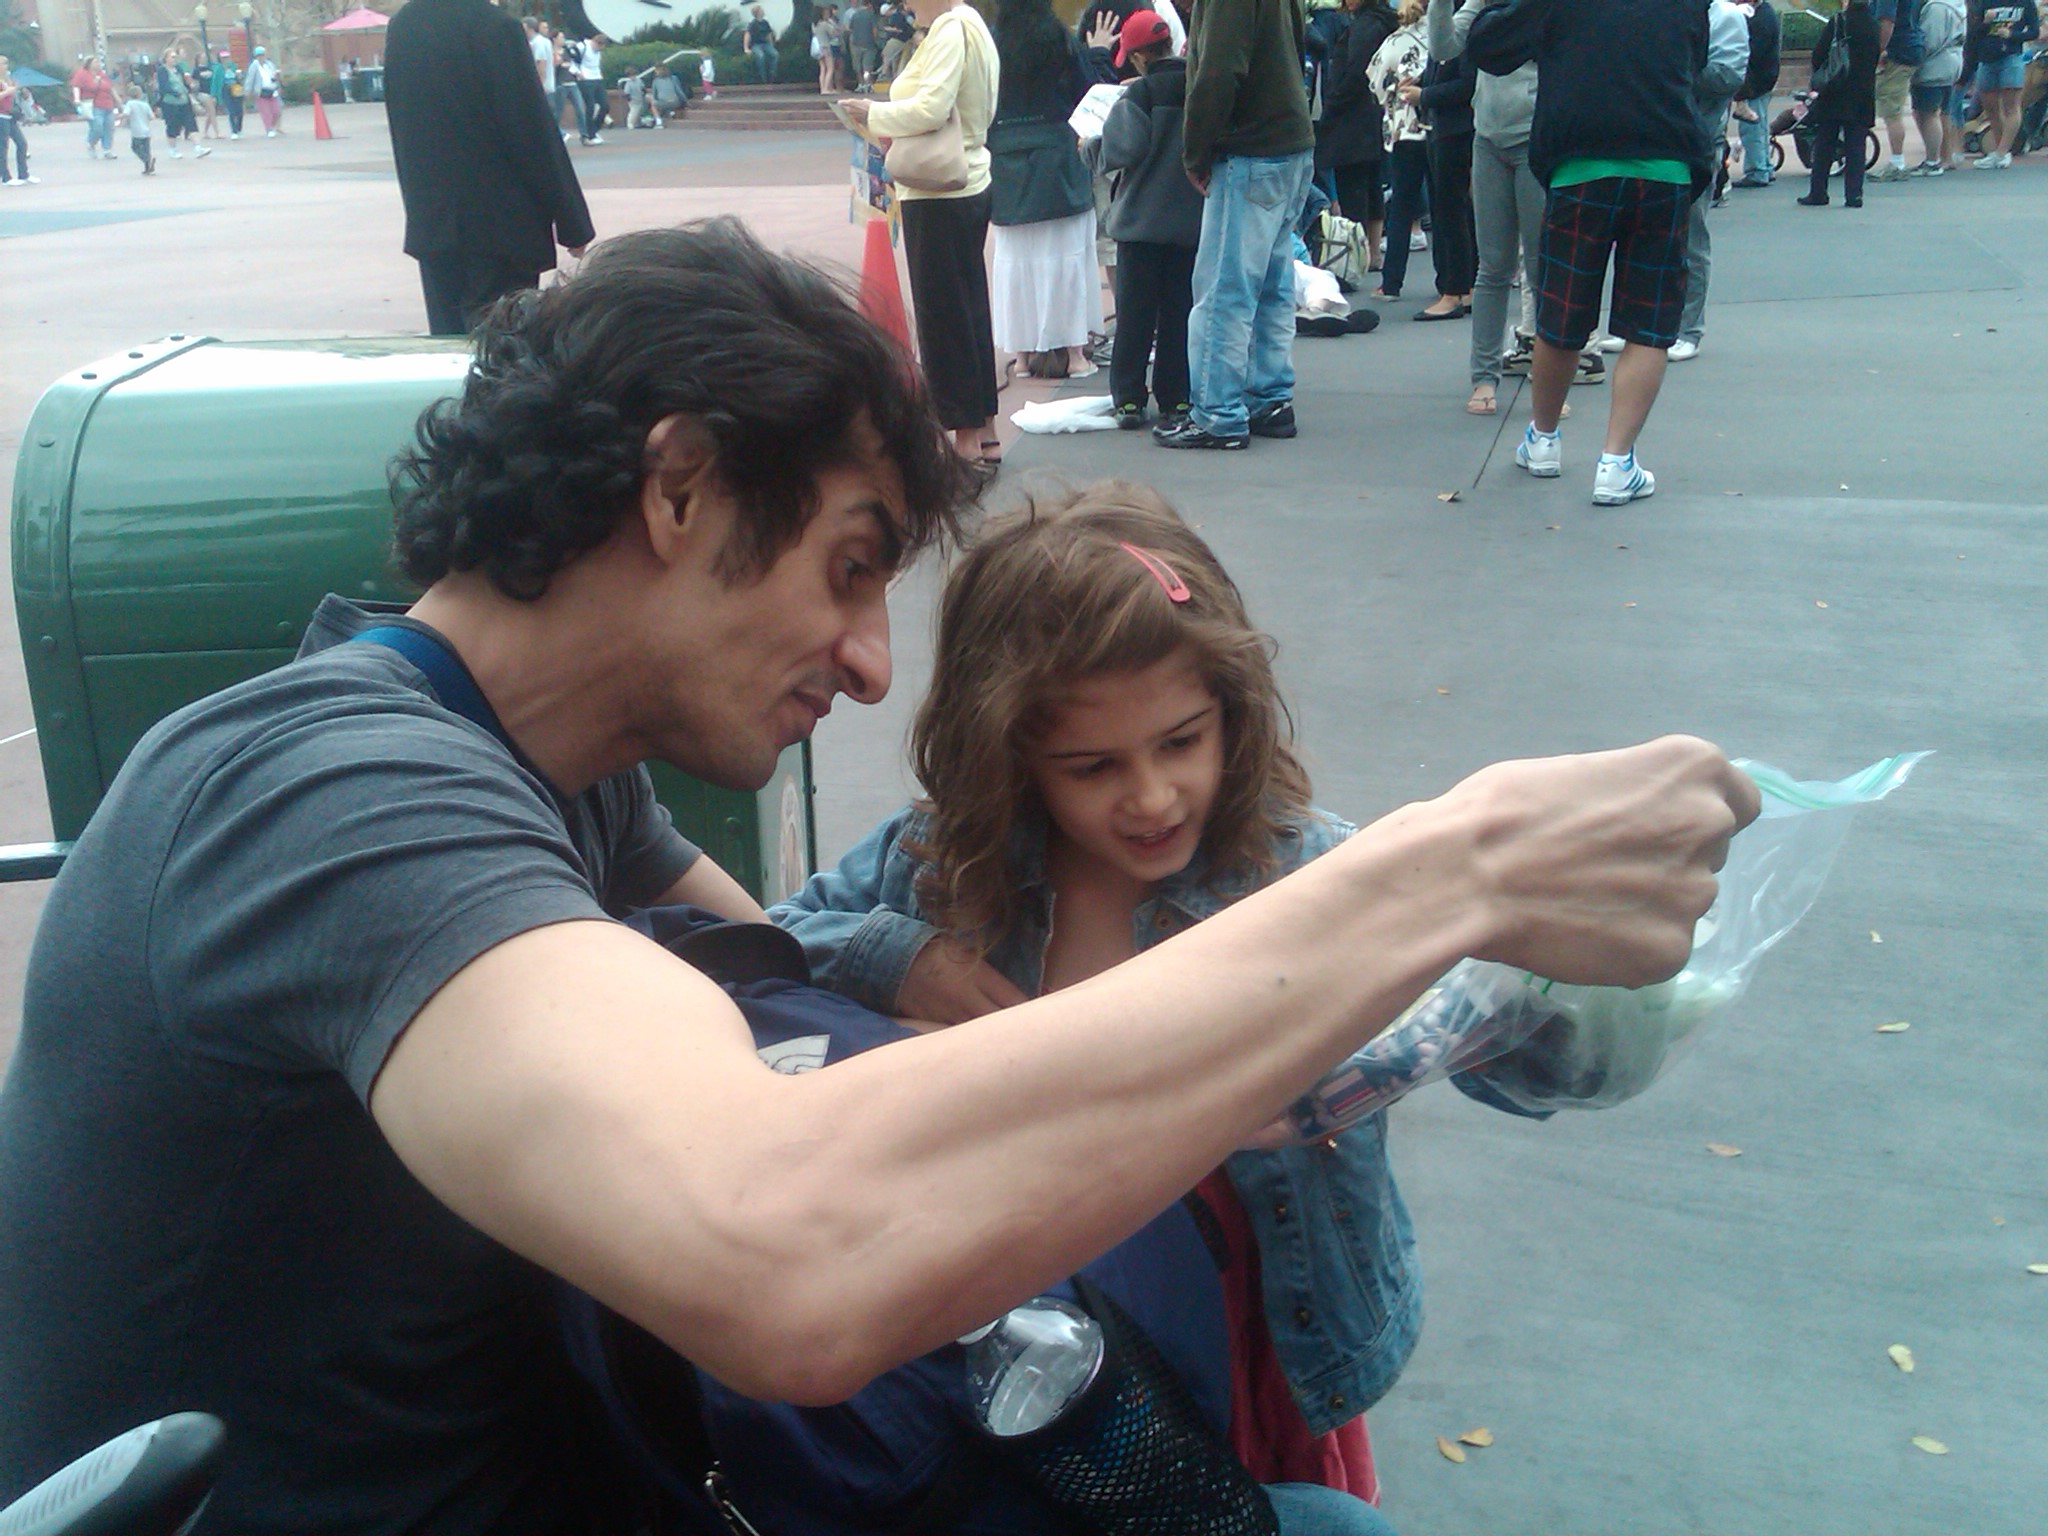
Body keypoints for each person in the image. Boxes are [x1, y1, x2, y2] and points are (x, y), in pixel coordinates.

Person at [0, 217, 1756, 1533]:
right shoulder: (327, 799)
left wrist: (900, 964)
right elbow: (785, 1244)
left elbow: (791, 982)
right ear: (679, 489)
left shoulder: (565, 793)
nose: (863, 665)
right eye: (849, 569)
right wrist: (1451, 874)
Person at [1467, 0, 1713, 507]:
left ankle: (1543, 439)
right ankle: (1616, 463)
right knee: (1649, 323)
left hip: (1579, 164)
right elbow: (1697, 59)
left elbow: (1488, 46)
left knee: (1561, 314)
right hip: (1664, 162)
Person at [839, 0, 1003, 466]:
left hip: (936, 188)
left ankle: (964, 435)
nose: (906, 5)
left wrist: (873, 114)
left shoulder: (950, 30)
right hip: (968, 177)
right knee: (969, 307)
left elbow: (931, 108)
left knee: (943, 315)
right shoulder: (972, 24)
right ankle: (983, 427)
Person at [1160, 0, 1318, 449]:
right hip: (1289, 140)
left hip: (1250, 147)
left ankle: (1218, 412)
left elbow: (1218, 70)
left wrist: (1195, 151)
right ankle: (1269, 397)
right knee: (1272, 283)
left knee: (1223, 291)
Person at [385, 0, 596, 335]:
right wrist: (572, 222)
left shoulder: (404, 25)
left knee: (449, 341)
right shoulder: (493, 27)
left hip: (434, 219)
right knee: (502, 344)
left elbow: (404, 125)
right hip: (501, 221)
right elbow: (529, 128)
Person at [987, 0, 1116, 382]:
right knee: (1068, 257)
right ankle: (1075, 354)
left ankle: (1023, 356)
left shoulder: (990, 42)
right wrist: (1098, 53)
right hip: (1058, 159)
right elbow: (1089, 93)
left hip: (1006, 158)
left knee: (1016, 261)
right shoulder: (1059, 39)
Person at [1093, 9, 1203, 428]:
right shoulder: (1197, 86)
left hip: (1140, 225)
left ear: (1138, 57)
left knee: (1135, 316)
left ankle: (1128, 399)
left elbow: (1123, 149)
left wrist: (1091, 147)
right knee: (1179, 313)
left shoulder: (1139, 95)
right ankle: (1176, 397)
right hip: (1189, 223)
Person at [1668, 0, 1748, 363]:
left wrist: (1675, 63)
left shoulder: (1724, 16)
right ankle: (1643, 324)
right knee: (1644, 236)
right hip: (1655, 135)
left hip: (1696, 140)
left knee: (1690, 239)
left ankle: (1688, 330)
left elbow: (1729, 77)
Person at [1316, 0, 1396, 276]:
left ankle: (1357, 256)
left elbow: (1356, 71)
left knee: (1354, 190)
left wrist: (1333, 103)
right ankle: (1372, 252)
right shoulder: (1382, 20)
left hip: (1351, 118)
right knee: (1372, 186)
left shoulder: (1365, 25)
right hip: (1373, 115)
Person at [1369, 0, 1431, 305]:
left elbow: (1375, 82)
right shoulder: (1442, 36)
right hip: (1436, 127)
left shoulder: (1393, 42)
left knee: (1402, 207)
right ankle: (1452, 282)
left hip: (1403, 130)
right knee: (1448, 204)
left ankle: (1391, 282)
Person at [1797, 0, 1880, 206]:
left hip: (1834, 91)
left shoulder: (1838, 22)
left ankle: (1818, 192)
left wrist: (1818, 79)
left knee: (1825, 143)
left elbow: (1819, 54)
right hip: (1862, 92)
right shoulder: (1873, 24)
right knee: (1856, 146)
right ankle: (1854, 195)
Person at [1413, 49, 1475, 320]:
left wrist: (1424, 95)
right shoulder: (1450, 37)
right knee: (1452, 210)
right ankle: (1462, 286)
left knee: (1451, 210)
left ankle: (1456, 290)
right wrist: (1421, 84)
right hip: (1445, 128)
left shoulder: (1460, 36)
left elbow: (1467, 84)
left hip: (1457, 129)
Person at [1970, 0, 2038, 165]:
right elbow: (1973, 32)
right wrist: (1986, 22)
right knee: (1990, 107)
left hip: (2011, 56)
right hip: (1987, 58)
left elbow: (2034, 32)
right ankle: (2001, 151)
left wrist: (2012, 35)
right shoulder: (1985, 3)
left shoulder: (2025, 3)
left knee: (2011, 105)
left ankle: (2002, 151)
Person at [1869, 0, 1925, 180]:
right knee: (1893, 108)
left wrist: (1878, 51)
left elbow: (1886, 21)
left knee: (1891, 110)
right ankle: (1897, 161)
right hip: (1910, 47)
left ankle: (1897, 163)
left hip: (1898, 52)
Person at [1730, 0, 1782, 187]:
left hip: (1756, 80)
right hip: (1764, 78)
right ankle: (1764, 167)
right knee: (1759, 126)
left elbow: (1752, 51)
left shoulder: (1760, 18)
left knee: (1751, 128)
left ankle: (1757, 171)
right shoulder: (1765, 13)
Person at [1911, 0, 1967, 172]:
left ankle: (1932, 160)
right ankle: (1946, 156)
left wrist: (1915, 57)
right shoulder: (1956, 5)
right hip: (1952, 62)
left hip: (1934, 66)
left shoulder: (1936, 7)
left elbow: (1930, 40)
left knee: (1928, 114)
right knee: (1943, 113)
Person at [155, 52, 209, 159]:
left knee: (191, 124)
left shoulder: (179, 69)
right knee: (173, 127)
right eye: (172, 57)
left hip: (184, 102)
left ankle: (198, 148)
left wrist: (189, 87)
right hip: (170, 104)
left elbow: (183, 83)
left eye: (175, 57)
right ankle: (172, 150)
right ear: (166, 58)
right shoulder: (162, 70)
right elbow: (163, 86)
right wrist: (175, 93)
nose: (175, 59)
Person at [70, 55, 117, 159]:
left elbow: (110, 87)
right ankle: (91, 143)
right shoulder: (82, 73)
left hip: (107, 104)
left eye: (98, 62)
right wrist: (77, 99)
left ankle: (107, 149)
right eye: (95, 62)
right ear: (89, 64)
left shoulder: (101, 74)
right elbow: (76, 86)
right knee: (97, 127)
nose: (97, 64)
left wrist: (118, 100)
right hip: (93, 105)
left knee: (109, 128)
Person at [0, 61, 33, 186]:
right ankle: (5, 177)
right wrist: (8, 91)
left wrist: (18, 91)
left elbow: (13, 96)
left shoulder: (7, 80)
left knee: (22, 143)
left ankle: (23, 174)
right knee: (3, 147)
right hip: (1, 115)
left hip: (10, 115)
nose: (6, 66)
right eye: (3, 64)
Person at [247, 45, 285, 136]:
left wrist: (278, 80)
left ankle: (272, 126)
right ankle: (269, 129)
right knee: (266, 113)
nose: (261, 57)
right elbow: (250, 79)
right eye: (259, 55)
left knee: (277, 111)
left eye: (262, 55)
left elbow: (274, 75)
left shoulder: (270, 65)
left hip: (272, 90)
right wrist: (248, 91)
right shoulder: (254, 66)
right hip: (261, 92)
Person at [120, 80, 155, 174]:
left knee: (135, 147)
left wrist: (119, 117)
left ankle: (146, 160)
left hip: (136, 131)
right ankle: (148, 167)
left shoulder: (130, 104)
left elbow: (126, 113)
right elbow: (152, 117)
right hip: (146, 131)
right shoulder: (145, 105)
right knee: (146, 149)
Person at [846, 0, 882, 89]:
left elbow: (850, 28)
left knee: (858, 67)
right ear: (869, 4)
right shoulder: (871, 15)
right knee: (867, 67)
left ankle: (860, 84)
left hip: (856, 44)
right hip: (869, 44)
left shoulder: (855, 14)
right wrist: (876, 41)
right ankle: (867, 84)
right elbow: (874, 30)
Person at [212, 49, 244, 138]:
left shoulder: (233, 66)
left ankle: (239, 128)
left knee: (239, 111)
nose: (225, 59)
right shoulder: (218, 68)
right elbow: (215, 82)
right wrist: (213, 95)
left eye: (227, 57)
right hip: (225, 90)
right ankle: (234, 131)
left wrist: (239, 76)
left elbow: (240, 78)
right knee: (231, 111)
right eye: (223, 58)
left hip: (236, 88)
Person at [815, 3, 845, 92]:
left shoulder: (815, 24)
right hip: (826, 47)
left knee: (823, 69)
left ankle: (822, 88)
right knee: (830, 68)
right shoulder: (825, 24)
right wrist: (835, 26)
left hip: (819, 48)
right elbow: (834, 34)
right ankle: (826, 88)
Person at [747, 3, 779, 83]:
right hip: (756, 45)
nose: (763, 11)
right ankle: (762, 78)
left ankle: (772, 75)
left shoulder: (765, 23)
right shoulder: (753, 24)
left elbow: (768, 34)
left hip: (765, 44)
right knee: (760, 56)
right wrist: (746, 48)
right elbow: (747, 35)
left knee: (775, 54)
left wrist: (771, 45)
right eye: (761, 10)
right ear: (758, 13)